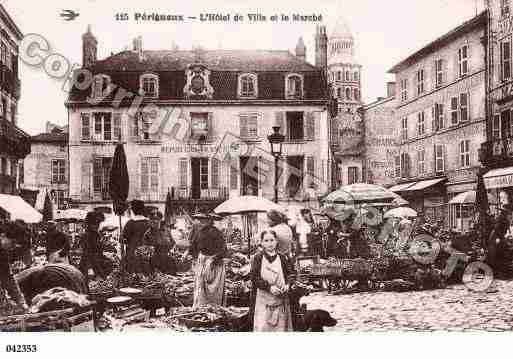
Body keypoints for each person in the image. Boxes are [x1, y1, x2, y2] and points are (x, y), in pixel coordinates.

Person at [250, 230, 295, 332]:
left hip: (280, 298)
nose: (269, 243)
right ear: (261, 242)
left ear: (276, 241)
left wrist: (288, 284)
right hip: (264, 299)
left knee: (281, 327)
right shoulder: (258, 258)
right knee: (263, 327)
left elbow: (291, 274)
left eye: (272, 240)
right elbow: (254, 277)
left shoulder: (282, 257)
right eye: (266, 240)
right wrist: (269, 287)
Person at [189, 213, 227, 309]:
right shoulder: (199, 232)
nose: (202, 222)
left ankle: (215, 309)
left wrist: (213, 258)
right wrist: (194, 259)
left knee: (215, 288)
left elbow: (223, 250)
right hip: (203, 261)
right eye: (200, 219)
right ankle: (202, 308)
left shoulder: (217, 233)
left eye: (204, 219)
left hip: (215, 264)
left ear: (210, 220)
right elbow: (193, 247)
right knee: (201, 287)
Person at [16, 263, 88, 304]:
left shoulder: (20, 281)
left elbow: (29, 295)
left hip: (58, 273)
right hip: (71, 271)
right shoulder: (28, 274)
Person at [0, 223, 28, 312]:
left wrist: (21, 301)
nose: (13, 247)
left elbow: (7, 278)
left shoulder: (2, 253)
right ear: (3, 236)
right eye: (13, 242)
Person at [79, 211, 109, 280]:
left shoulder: (92, 234)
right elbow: (91, 252)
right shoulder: (90, 234)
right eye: (97, 223)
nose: (98, 225)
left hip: (92, 262)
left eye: (99, 223)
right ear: (91, 224)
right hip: (91, 263)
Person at [122, 200, 150, 273]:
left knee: (134, 274)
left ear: (133, 210)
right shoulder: (148, 222)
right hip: (147, 251)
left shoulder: (130, 223)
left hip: (133, 251)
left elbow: (124, 238)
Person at [487, 204, 513, 271]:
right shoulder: (500, 219)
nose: (507, 214)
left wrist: (507, 235)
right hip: (495, 236)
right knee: (493, 251)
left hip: (500, 236)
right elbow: (497, 229)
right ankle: (493, 267)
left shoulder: (506, 219)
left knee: (504, 248)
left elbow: (507, 229)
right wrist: (501, 237)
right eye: (505, 212)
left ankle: (501, 266)